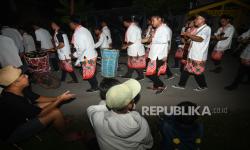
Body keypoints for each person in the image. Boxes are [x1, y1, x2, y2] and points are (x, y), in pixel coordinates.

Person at [0, 66, 82, 143]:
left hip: (23, 116)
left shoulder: (16, 89)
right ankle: (65, 136)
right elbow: (39, 113)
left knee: (50, 104)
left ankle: (60, 122)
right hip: (14, 131)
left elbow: (37, 98)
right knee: (54, 112)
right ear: (15, 83)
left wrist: (57, 98)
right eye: (23, 76)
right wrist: (60, 100)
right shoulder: (11, 100)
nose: (27, 76)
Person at [87, 79, 153, 150]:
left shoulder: (97, 118)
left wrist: (110, 103)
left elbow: (91, 109)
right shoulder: (142, 123)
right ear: (131, 104)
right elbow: (148, 144)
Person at [172, 13, 211, 92]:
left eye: (197, 18)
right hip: (192, 54)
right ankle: (181, 85)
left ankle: (203, 86)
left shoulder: (207, 29)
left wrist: (188, 34)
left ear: (203, 20)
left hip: (198, 56)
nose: (195, 20)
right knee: (186, 70)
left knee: (198, 73)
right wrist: (187, 37)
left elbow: (200, 39)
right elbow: (192, 40)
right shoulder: (200, 29)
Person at [69, 16, 99, 92]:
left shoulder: (78, 33)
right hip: (92, 54)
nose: (69, 25)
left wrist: (74, 55)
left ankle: (95, 87)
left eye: (70, 23)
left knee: (88, 74)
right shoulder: (85, 29)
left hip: (87, 57)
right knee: (90, 71)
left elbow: (81, 49)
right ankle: (95, 84)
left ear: (73, 23)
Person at [143, 15, 170, 94]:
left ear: (159, 19)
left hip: (159, 54)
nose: (152, 22)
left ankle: (162, 85)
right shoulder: (158, 29)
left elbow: (164, 41)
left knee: (150, 73)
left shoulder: (164, 29)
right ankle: (156, 86)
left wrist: (151, 38)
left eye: (153, 20)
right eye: (151, 21)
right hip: (155, 53)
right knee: (154, 72)